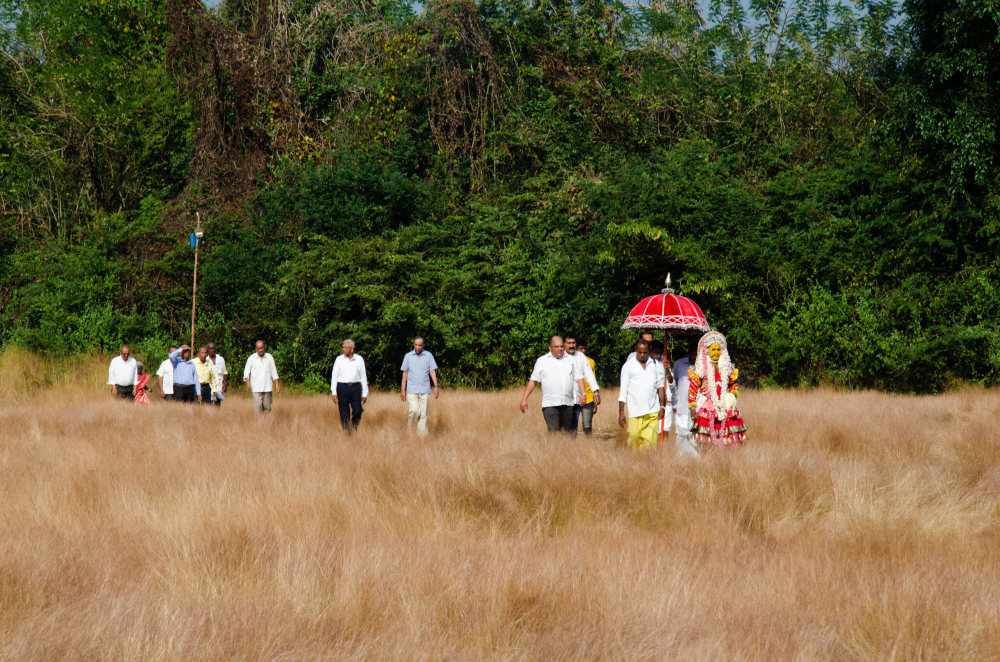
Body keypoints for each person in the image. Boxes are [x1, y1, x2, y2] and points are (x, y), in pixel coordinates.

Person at [688, 331, 748, 448]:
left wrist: (732, 396)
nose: (716, 353)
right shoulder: (700, 369)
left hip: (726, 408)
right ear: (706, 351)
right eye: (713, 350)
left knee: (731, 444)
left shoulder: (728, 367)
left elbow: (734, 386)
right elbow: (692, 390)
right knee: (707, 445)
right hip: (707, 408)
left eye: (718, 350)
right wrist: (692, 408)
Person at [519, 336, 587, 434]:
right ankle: (552, 449)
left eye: (561, 346)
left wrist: (583, 393)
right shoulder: (542, 361)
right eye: (556, 347)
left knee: (566, 433)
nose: (560, 349)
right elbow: (533, 381)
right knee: (554, 432)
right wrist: (524, 399)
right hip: (550, 404)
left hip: (568, 403)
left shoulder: (571, 359)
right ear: (550, 348)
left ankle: (563, 449)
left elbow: (579, 377)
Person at [618, 339, 666, 450]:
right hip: (635, 411)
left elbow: (660, 386)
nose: (642, 355)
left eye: (645, 352)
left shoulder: (655, 364)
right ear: (636, 351)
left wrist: (662, 406)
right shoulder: (628, 366)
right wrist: (621, 412)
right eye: (640, 352)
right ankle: (633, 461)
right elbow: (623, 391)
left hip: (652, 410)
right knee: (634, 437)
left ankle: (645, 464)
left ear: (649, 351)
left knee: (650, 442)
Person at [399, 336, 439, 435]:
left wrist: (436, 387)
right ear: (414, 345)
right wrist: (403, 390)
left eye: (419, 345)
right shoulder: (408, 356)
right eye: (416, 345)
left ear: (423, 346)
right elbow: (404, 374)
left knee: (423, 415)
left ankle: (421, 438)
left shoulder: (428, 355)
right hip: (411, 389)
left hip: (425, 389)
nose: (417, 347)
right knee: (414, 410)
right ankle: (411, 433)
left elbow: (432, 372)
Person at [564, 334, 601, 435]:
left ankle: (581, 447)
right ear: (564, 344)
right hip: (566, 399)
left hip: (582, 397)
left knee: (579, 426)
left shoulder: (582, 357)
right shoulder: (560, 357)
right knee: (567, 427)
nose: (571, 345)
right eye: (569, 343)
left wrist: (596, 393)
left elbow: (590, 376)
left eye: (573, 343)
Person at [331, 339, 368, 431]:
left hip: (355, 388)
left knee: (357, 411)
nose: (343, 349)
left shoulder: (359, 359)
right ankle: (347, 433)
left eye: (346, 348)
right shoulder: (339, 359)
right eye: (343, 347)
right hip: (342, 387)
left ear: (352, 349)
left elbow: (363, 376)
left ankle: (354, 426)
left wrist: (365, 393)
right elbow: (334, 376)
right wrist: (334, 392)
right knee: (344, 413)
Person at [672, 340, 699, 457]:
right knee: (681, 437)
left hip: (698, 409)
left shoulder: (703, 367)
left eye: (697, 355)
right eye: (693, 355)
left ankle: (697, 461)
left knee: (696, 437)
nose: (695, 357)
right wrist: (674, 404)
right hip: (682, 407)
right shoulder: (679, 364)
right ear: (688, 353)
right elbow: (672, 385)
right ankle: (680, 462)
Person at [648, 340, 675, 443]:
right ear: (650, 351)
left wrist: (667, 370)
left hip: (666, 401)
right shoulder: (648, 363)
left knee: (665, 429)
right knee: (655, 430)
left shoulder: (665, 361)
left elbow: (672, 383)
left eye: (660, 352)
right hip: (653, 401)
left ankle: (664, 454)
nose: (657, 355)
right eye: (655, 352)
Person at [244, 340, 280, 413]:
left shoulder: (269, 357)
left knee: (268, 408)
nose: (260, 350)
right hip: (256, 387)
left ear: (264, 348)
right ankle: (258, 424)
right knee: (258, 408)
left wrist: (277, 385)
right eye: (259, 348)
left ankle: (266, 423)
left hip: (267, 387)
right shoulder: (251, 358)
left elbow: (274, 371)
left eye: (262, 348)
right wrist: (248, 382)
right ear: (256, 349)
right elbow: (246, 372)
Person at [575, 339, 599, 435]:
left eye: (585, 349)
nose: (583, 351)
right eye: (580, 349)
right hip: (576, 396)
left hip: (589, 397)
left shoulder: (591, 362)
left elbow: (593, 379)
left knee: (587, 424)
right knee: (573, 424)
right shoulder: (571, 360)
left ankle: (588, 444)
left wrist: (596, 396)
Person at [207, 342, 228, 407]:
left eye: (213, 348)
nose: (211, 350)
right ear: (207, 350)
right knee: (209, 403)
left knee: (218, 403)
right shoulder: (206, 360)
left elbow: (225, 372)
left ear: (215, 349)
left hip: (219, 384)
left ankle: (217, 416)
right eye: (210, 349)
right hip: (209, 385)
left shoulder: (220, 359)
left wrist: (225, 383)